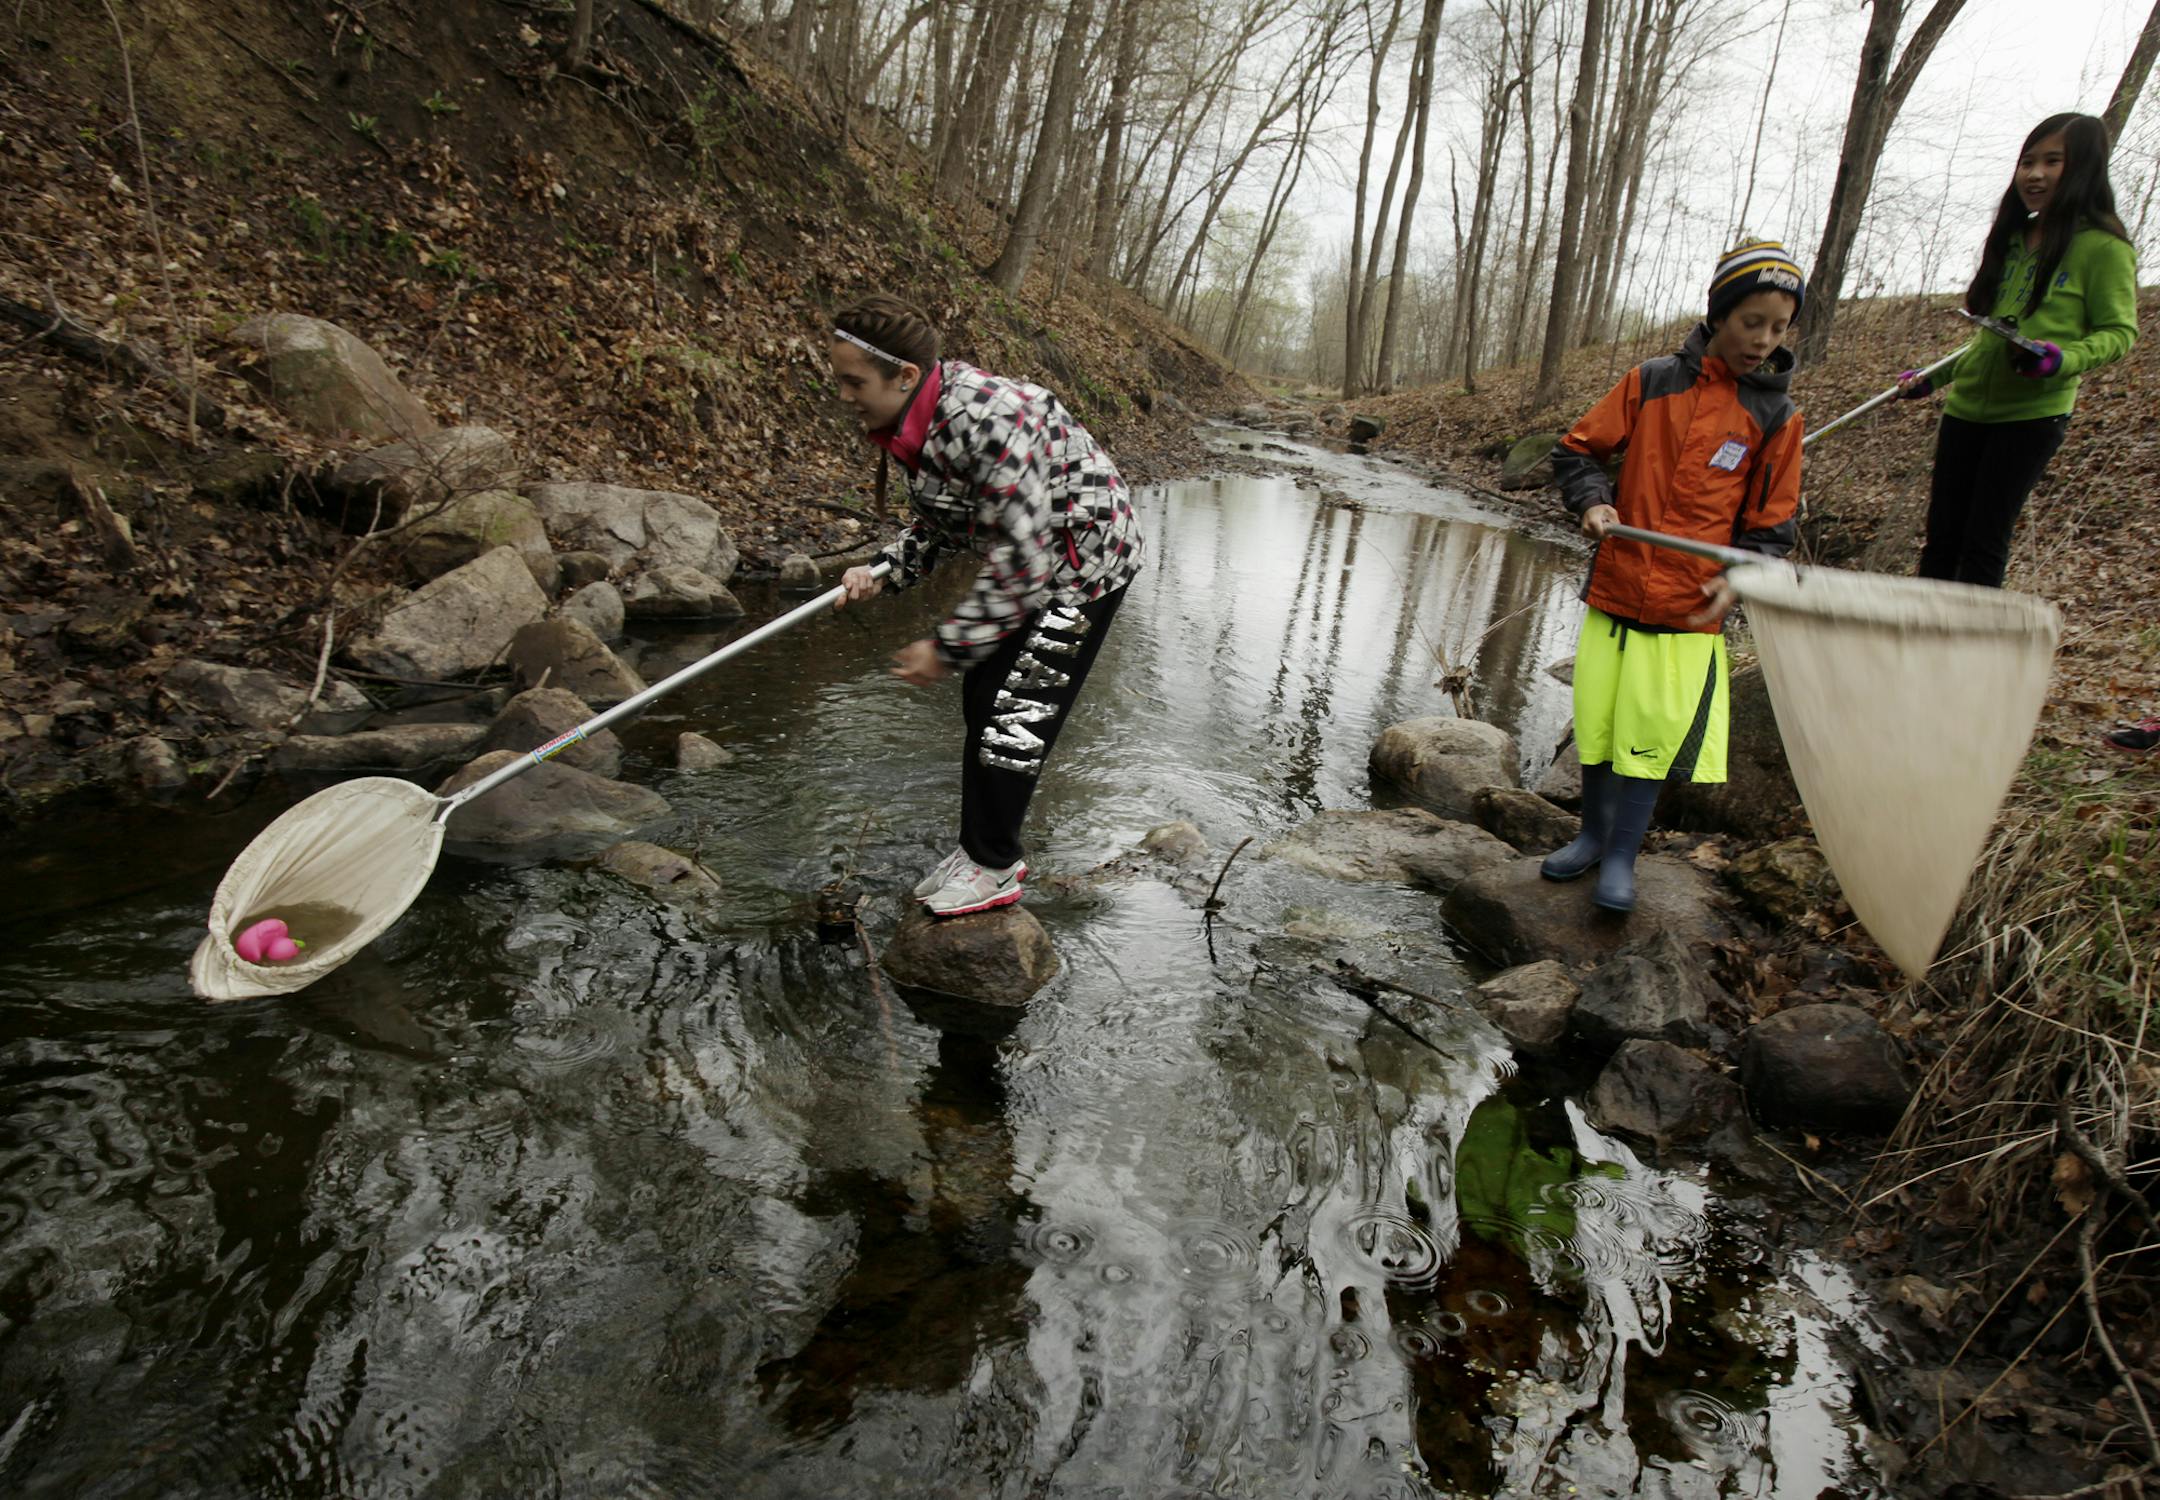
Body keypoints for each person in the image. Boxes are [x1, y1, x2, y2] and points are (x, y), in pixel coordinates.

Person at [826, 294, 1144, 917]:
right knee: (983, 694)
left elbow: (1021, 555)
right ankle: (981, 850)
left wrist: (946, 646)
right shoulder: (918, 423)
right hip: (1034, 555)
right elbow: (950, 522)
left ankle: (994, 866)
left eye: (854, 381)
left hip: (1085, 558)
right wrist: (884, 571)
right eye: (839, 379)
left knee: (1016, 711)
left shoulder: (984, 420)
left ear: (905, 377)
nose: (844, 395)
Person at [1542, 241, 1806, 913]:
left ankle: (1623, 857)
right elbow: (1577, 450)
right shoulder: (1653, 381)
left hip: (1689, 611)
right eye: (1752, 322)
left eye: (1778, 328)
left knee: (1651, 738)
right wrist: (1595, 501)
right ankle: (1592, 838)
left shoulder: (1776, 416)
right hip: (1616, 590)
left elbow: (1771, 527)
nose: (1764, 340)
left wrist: (1745, 574)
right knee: (1598, 724)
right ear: (1720, 313)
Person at [1895, 113, 2138, 587]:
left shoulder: (2104, 249)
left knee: (1983, 540)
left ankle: (1972, 654)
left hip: (2031, 416)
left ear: (2084, 168)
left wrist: (2061, 359)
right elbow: (1989, 339)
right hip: (1967, 411)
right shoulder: (2011, 239)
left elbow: (2119, 332)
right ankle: (1920, 645)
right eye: (2027, 162)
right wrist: (1934, 377)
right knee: (1941, 538)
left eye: (2052, 161)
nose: (2035, 174)